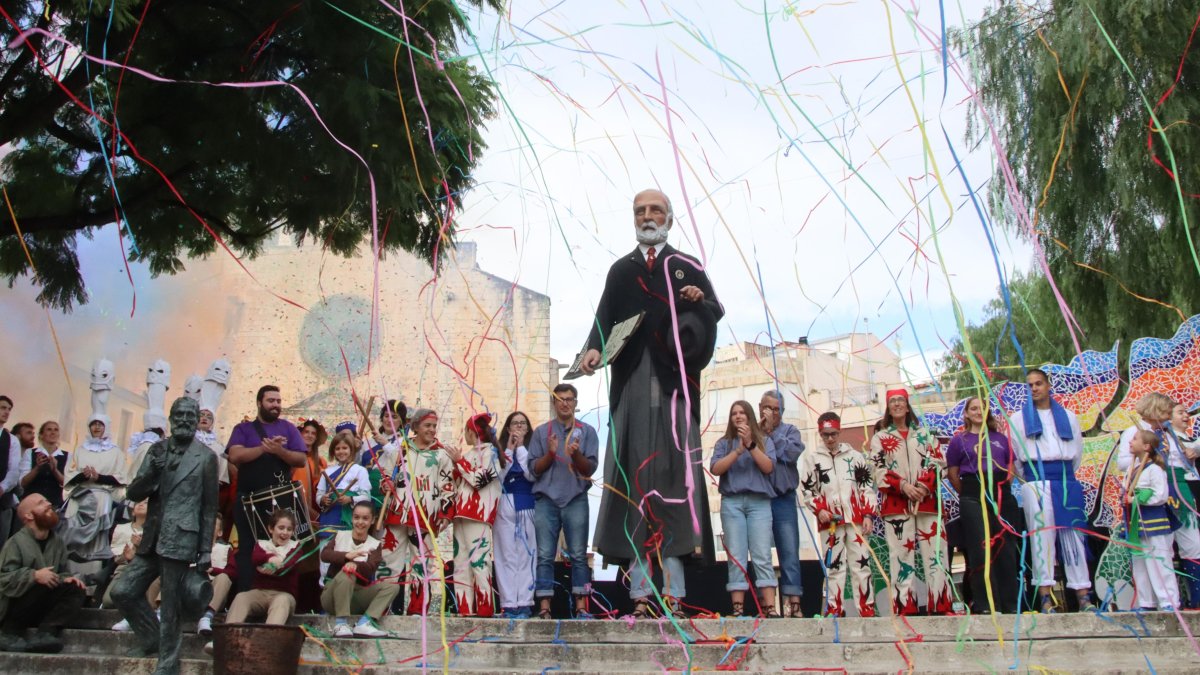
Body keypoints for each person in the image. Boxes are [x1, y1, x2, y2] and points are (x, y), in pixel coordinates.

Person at [583, 189, 722, 614]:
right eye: (640, 210)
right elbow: (603, 321)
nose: (647, 216)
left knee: (675, 482)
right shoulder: (619, 271)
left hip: (674, 388)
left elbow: (715, 308)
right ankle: (642, 595)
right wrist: (592, 349)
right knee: (635, 486)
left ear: (669, 218)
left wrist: (700, 302)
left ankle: (675, 594)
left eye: (655, 209)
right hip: (630, 386)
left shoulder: (687, 266)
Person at [111, 396, 219, 671]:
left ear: (197, 421)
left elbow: (209, 508)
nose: (184, 420)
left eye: (190, 416)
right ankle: (152, 639)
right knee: (123, 591)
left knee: (171, 604)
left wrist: (206, 549)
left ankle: (167, 665)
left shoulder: (206, 458)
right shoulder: (157, 450)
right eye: (179, 415)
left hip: (182, 538)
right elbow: (134, 493)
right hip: (152, 538)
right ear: (171, 419)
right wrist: (152, 475)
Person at [1009, 369, 1094, 613]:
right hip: (1036, 480)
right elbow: (1016, 458)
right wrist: (1034, 478)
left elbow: (1077, 451)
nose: (1034, 388)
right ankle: (1045, 598)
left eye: (1038, 384)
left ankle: (1083, 595)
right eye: (1030, 385)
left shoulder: (1068, 416)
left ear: (1048, 386)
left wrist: (1062, 474)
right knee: (1041, 537)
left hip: (1066, 479)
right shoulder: (1018, 419)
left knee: (1073, 537)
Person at [869, 388, 951, 616]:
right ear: (888, 407)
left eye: (900, 401)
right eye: (892, 401)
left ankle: (941, 604)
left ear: (907, 405)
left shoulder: (925, 434)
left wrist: (924, 486)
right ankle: (906, 606)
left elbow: (939, 463)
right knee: (900, 556)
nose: (896, 404)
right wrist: (904, 486)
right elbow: (878, 470)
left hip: (928, 503)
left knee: (936, 554)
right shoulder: (880, 438)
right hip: (896, 506)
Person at [1119, 393, 1200, 608]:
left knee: (1190, 544)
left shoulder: (1169, 433)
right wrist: (1151, 460)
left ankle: (1194, 600)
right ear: (1156, 411)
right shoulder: (1136, 432)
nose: (1168, 416)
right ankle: (1152, 602)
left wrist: (1189, 455)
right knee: (1150, 552)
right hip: (1150, 494)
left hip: (1177, 491)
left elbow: (1180, 463)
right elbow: (1124, 463)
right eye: (1165, 412)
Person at [225, 385, 307, 591]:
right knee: (247, 548)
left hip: (279, 500)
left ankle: (281, 595)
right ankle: (246, 594)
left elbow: (301, 459)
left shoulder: (288, 428)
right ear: (259, 402)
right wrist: (263, 448)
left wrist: (280, 451)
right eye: (271, 401)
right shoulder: (242, 429)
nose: (276, 405)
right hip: (248, 500)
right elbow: (235, 456)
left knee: (283, 547)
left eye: (278, 401)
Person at [527, 384, 599, 619]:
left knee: (579, 554)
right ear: (554, 403)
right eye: (560, 399)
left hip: (575, 498)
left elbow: (589, 469)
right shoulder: (541, 432)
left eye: (569, 399)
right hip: (546, 500)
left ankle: (581, 607)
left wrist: (575, 453)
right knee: (545, 554)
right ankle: (544, 607)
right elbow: (533, 469)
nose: (565, 403)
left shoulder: (587, 432)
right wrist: (550, 453)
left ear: (576, 402)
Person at [945, 397, 1022, 614]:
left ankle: (1009, 605)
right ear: (967, 414)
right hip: (972, 494)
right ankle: (985, 604)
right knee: (980, 549)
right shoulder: (958, 441)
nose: (978, 412)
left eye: (982, 408)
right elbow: (952, 473)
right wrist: (970, 493)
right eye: (973, 408)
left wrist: (1000, 488)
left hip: (999, 493)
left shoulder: (1000, 438)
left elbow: (1011, 468)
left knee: (1005, 549)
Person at [375, 408, 454, 615]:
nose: (432, 430)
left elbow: (448, 486)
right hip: (397, 513)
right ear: (416, 427)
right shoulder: (400, 450)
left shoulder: (441, 454)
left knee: (421, 563)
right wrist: (385, 485)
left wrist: (445, 515)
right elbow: (385, 474)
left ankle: (418, 611)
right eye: (427, 425)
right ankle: (380, 609)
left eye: (434, 426)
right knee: (389, 560)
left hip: (425, 517)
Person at [800, 412, 877, 617]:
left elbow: (866, 486)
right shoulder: (813, 459)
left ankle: (866, 609)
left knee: (861, 565)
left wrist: (868, 514)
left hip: (856, 520)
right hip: (830, 523)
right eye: (826, 435)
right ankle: (835, 610)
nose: (830, 439)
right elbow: (808, 490)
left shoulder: (855, 457)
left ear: (839, 431)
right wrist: (819, 509)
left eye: (833, 434)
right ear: (820, 434)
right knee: (834, 567)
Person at [709, 400, 777, 617]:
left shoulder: (765, 441)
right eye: (733, 413)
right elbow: (716, 468)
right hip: (733, 503)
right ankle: (738, 607)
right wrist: (737, 451)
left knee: (762, 554)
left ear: (749, 416)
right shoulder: (723, 443)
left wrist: (750, 445)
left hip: (759, 502)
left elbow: (768, 467)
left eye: (742, 413)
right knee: (736, 556)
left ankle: (770, 607)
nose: (738, 416)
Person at [0, 494, 87, 653]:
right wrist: (34, 576)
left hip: (42, 603)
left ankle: (46, 633)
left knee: (76, 588)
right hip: (17, 606)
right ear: (28, 515)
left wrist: (67, 579)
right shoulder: (14, 543)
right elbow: (3, 578)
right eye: (41, 503)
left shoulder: (57, 541)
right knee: (40, 582)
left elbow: (62, 572)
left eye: (47, 501)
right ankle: (9, 633)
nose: (48, 504)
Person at [449, 413, 501, 617]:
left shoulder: (493, 454)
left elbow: (480, 480)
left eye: (466, 430)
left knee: (479, 561)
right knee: (460, 563)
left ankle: (486, 609)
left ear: (473, 432)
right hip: (460, 513)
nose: (464, 434)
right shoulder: (470, 454)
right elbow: (459, 483)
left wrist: (459, 462)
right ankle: (465, 609)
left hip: (478, 515)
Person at [759, 389, 805, 617]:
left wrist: (771, 434)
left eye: (776, 409)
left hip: (784, 498)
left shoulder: (791, 431)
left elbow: (790, 453)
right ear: (759, 408)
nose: (772, 413)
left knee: (789, 550)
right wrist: (761, 433)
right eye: (768, 408)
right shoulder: (751, 432)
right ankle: (767, 604)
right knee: (761, 553)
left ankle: (794, 602)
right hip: (759, 499)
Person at [1123, 429, 1181, 611]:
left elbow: (1161, 495)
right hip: (1135, 524)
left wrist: (1137, 498)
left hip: (1154, 523)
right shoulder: (1131, 469)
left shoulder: (1154, 469)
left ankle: (1168, 601)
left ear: (1146, 446)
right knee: (1139, 563)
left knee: (1159, 561)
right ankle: (1146, 601)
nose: (1130, 441)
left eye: (1135, 439)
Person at [319, 502, 396, 637]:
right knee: (347, 573)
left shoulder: (375, 544)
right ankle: (341, 622)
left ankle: (365, 623)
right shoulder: (340, 536)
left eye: (365, 518)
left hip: (356, 598)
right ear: (352, 518)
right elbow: (325, 555)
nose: (360, 522)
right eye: (356, 517)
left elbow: (371, 568)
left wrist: (355, 565)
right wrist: (346, 557)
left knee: (392, 587)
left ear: (372, 520)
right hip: (332, 597)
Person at [62, 413, 129, 565]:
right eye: (94, 423)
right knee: (76, 532)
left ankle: (94, 570)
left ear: (106, 427)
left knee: (97, 535)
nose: (97, 427)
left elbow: (121, 477)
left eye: (100, 424)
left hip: (101, 498)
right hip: (81, 497)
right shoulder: (80, 450)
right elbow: (69, 474)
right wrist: (84, 476)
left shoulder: (115, 452)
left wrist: (99, 477)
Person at [220, 509, 304, 630]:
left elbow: (290, 564)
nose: (285, 532)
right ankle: (226, 637)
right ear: (271, 529)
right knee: (242, 597)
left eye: (289, 529)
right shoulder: (261, 544)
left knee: (282, 601)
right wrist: (270, 558)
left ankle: (267, 641)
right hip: (260, 592)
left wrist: (274, 568)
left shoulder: (296, 546)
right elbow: (256, 558)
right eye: (281, 528)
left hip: (284, 594)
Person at [494, 411, 536, 618]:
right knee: (506, 555)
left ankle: (525, 602)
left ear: (528, 428)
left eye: (522, 423)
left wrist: (520, 448)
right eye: (514, 423)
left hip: (527, 504)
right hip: (504, 504)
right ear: (508, 428)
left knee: (527, 555)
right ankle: (509, 603)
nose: (518, 427)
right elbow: (497, 476)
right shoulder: (499, 450)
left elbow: (531, 474)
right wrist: (508, 451)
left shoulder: (532, 451)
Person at [105, 500, 160, 630]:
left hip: (149, 568)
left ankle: (134, 616)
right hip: (124, 567)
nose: (140, 504)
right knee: (109, 600)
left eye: (146, 503)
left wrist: (140, 549)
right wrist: (126, 557)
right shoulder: (120, 528)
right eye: (138, 503)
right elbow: (115, 556)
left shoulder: (156, 530)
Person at [317, 431, 372, 533]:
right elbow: (319, 494)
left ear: (351, 449)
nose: (341, 451)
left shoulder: (360, 470)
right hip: (330, 515)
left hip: (350, 517)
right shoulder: (327, 471)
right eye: (337, 448)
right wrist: (322, 499)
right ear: (333, 451)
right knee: (326, 547)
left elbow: (367, 497)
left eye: (344, 448)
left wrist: (350, 499)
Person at [197, 512, 236, 636]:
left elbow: (233, 573)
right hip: (190, 589)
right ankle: (160, 612)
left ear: (219, 532)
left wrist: (213, 570)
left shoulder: (225, 549)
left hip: (213, 593)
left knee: (224, 578)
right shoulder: (190, 547)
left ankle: (207, 617)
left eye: (212, 524)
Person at [20, 422, 67, 509]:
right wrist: (37, 468)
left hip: (54, 504)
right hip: (31, 504)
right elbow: (23, 482)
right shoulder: (30, 453)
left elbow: (67, 484)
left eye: (56, 430)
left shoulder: (67, 456)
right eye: (49, 429)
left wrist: (55, 470)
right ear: (41, 435)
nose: (53, 432)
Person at [0, 397, 23, 550]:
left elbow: (14, 471)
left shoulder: (12, 440)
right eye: (3, 408)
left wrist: (2, 487)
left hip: (2, 500)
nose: (7, 412)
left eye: (9, 409)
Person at [297, 419, 329, 519]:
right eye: (306, 432)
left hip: (318, 512)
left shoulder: (321, 462)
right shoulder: (293, 460)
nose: (310, 435)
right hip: (298, 510)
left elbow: (325, 486)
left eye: (313, 433)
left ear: (316, 437)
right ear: (300, 434)